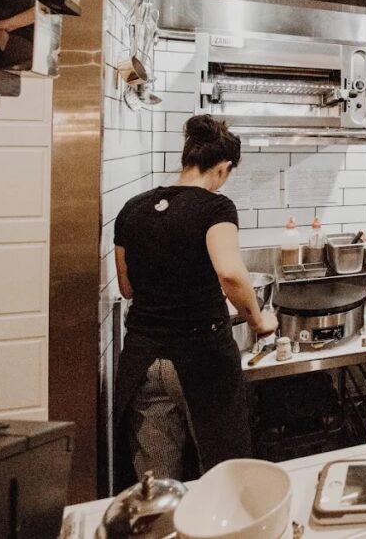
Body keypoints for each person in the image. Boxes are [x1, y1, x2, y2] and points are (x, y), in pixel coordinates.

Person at [112, 114, 277, 489]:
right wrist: (258, 321)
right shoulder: (215, 208)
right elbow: (231, 274)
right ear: (222, 168)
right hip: (199, 359)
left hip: (142, 361)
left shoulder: (131, 209)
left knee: (157, 482)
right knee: (222, 471)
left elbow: (127, 287)